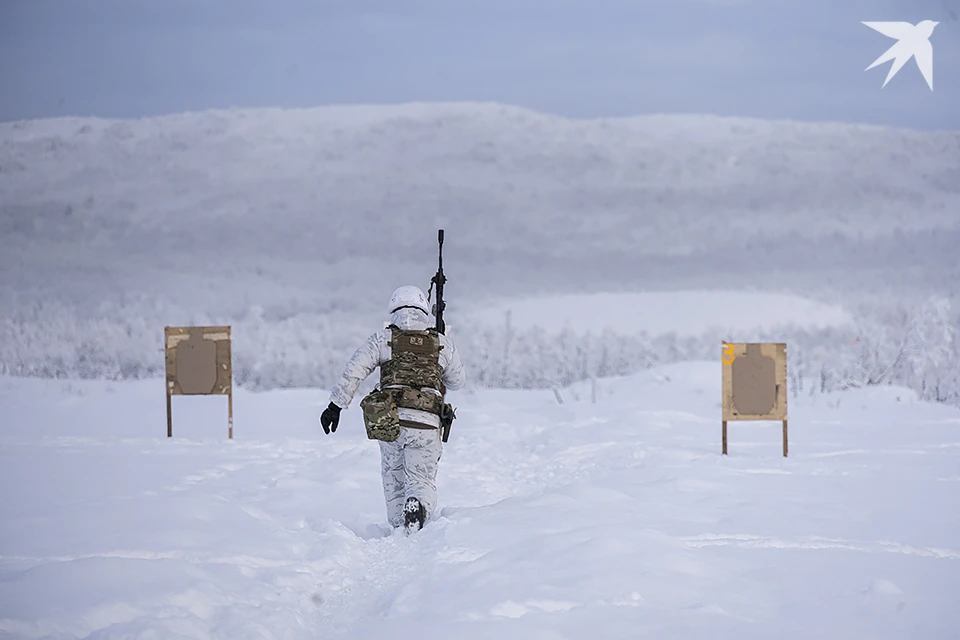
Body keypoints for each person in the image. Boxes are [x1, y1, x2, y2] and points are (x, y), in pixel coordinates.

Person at [319, 285, 466, 531]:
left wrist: (335, 406)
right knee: (421, 479)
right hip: (427, 423)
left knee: (393, 479)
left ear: (393, 310)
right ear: (424, 310)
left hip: (390, 422)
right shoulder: (442, 343)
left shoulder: (382, 340)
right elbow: (458, 382)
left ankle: (399, 527)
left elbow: (354, 371)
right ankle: (416, 507)